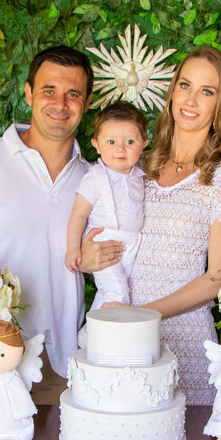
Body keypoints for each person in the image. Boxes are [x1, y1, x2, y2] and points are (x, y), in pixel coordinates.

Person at [0, 45, 122, 401]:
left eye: (73, 94)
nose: (60, 104)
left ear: (86, 104)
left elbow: (101, 266)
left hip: (65, 363)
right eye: (48, 91)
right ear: (28, 94)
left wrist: (88, 262)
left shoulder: (97, 181)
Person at [122, 46, 221, 405]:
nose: (191, 99)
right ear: (172, 92)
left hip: (185, 339)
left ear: (220, 105)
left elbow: (220, 276)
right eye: (185, 85)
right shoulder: (137, 165)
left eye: (207, 91)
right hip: (126, 335)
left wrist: (146, 315)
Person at [64, 101, 148, 308]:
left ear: (143, 144)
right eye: (111, 142)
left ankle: (87, 337)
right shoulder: (95, 178)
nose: (120, 149)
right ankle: (110, 336)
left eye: (129, 142)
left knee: (111, 292)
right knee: (116, 293)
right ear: (96, 145)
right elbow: (78, 215)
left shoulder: (140, 176)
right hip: (104, 241)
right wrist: (73, 248)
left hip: (132, 245)